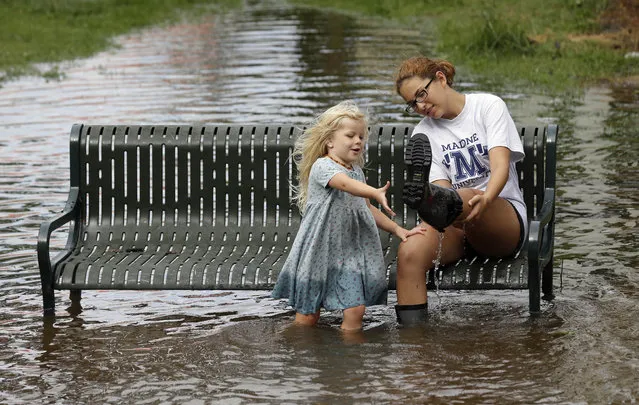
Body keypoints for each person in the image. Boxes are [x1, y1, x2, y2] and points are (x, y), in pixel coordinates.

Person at [393, 56, 527, 325]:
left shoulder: (487, 106)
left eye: (422, 94)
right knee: (410, 252)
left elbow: (500, 168)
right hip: (455, 225)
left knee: (466, 196)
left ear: (441, 78)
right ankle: (415, 352)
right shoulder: (423, 135)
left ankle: (426, 199)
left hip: (500, 219)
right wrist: (438, 208)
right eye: (412, 103)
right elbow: (443, 194)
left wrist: (486, 198)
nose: (420, 106)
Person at [271, 100, 424, 332]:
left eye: (361, 137)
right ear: (329, 141)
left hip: (348, 254)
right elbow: (343, 184)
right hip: (318, 252)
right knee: (309, 316)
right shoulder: (323, 166)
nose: (358, 141)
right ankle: (297, 353)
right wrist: (374, 191)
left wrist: (396, 229)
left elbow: (366, 208)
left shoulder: (357, 173)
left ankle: (350, 357)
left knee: (355, 310)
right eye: (350, 135)